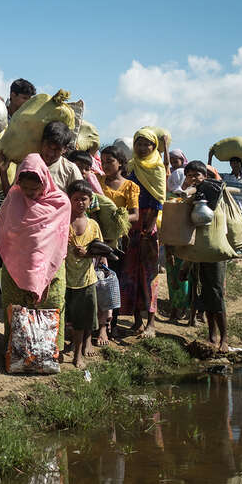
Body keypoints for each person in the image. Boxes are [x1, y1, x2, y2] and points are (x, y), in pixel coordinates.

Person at [0, 153, 71, 357]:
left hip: (50, 270)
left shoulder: (60, 203)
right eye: (25, 188)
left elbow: (58, 240)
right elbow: (6, 230)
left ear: (44, 182)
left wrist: (41, 271)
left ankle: (52, 353)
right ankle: (15, 352)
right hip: (16, 266)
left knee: (52, 307)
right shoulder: (14, 197)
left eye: (34, 189)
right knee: (14, 309)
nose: (29, 193)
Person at [119, 128, 168, 338]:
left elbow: (159, 198)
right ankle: (136, 320)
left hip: (148, 224)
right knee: (130, 273)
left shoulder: (157, 167)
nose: (141, 148)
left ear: (154, 146)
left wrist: (149, 225)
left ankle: (151, 323)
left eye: (146, 144)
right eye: (138, 143)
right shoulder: (131, 166)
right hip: (132, 222)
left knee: (149, 275)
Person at [181, 160, 229, 353]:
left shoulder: (210, 188)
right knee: (206, 294)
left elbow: (208, 194)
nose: (193, 178)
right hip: (200, 252)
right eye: (189, 175)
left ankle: (224, 338)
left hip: (215, 252)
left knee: (216, 294)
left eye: (196, 175)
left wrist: (191, 190)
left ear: (205, 176)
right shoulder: (194, 195)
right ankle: (212, 336)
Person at [96, 145, 139, 339]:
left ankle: (110, 324)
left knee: (112, 280)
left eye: (109, 161)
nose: (105, 165)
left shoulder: (130, 187)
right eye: (103, 161)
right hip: (96, 238)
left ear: (120, 163)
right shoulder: (97, 182)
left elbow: (135, 215)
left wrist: (118, 218)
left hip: (117, 242)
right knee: (94, 280)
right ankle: (94, 324)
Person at [64, 179, 103, 369]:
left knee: (81, 321)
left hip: (86, 280)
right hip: (63, 279)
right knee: (64, 318)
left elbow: (101, 250)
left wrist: (87, 254)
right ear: (69, 200)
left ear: (90, 201)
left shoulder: (93, 225)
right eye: (76, 199)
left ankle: (77, 355)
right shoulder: (62, 222)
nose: (80, 203)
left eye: (84, 199)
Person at [220, 157, 242, 261]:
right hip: (230, 209)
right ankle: (231, 253)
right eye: (232, 163)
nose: (234, 165)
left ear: (240, 164)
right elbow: (211, 174)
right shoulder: (226, 177)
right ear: (230, 165)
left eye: (236, 163)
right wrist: (210, 158)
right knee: (229, 230)